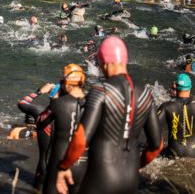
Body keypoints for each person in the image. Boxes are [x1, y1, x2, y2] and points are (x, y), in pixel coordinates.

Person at [56, 36, 163, 194]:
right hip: (131, 181)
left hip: (101, 179)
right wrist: (137, 166)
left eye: (99, 64)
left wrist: (64, 166)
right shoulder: (146, 93)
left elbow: (81, 139)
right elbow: (157, 145)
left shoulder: (101, 91)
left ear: (105, 62)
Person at [37, 64, 87, 194]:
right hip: (83, 164)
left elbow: (41, 121)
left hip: (59, 162)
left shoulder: (58, 104)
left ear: (65, 83)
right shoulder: (94, 104)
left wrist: (46, 94)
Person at [13, 83, 58, 190]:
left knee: (44, 158)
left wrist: (39, 92)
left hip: (43, 170)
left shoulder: (40, 112)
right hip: (63, 167)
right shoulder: (72, 112)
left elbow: (22, 103)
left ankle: (38, 189)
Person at [158, 73, 195, 158]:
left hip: (173, 153)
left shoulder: (167, 106)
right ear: (190, 87)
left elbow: (152, 128)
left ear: (176, 88)